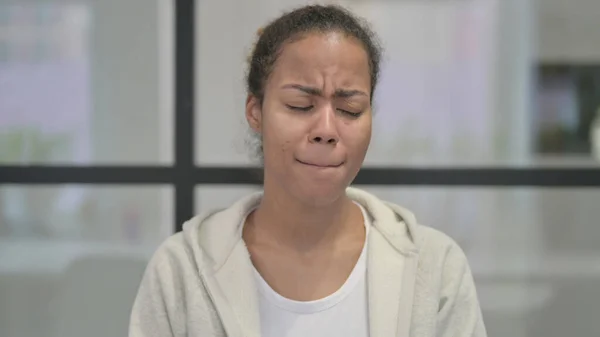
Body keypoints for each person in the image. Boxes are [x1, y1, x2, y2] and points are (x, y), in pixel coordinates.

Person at [129, 4, 486, 337]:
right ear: (255, 111)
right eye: (300, 105)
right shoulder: (181, 273)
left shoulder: (434, 268)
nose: (326, 130)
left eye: (350, 108)